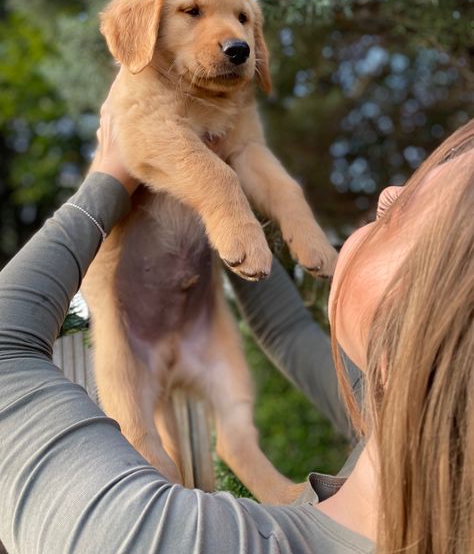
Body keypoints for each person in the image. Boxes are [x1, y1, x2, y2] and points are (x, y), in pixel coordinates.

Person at [0, 110, 472, 554]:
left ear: (413, 344)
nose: (390, 192)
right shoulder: (406, 420)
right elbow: (284, 329)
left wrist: (107, 178)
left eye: (408, 208)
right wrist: (221, 204)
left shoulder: (160, 540)